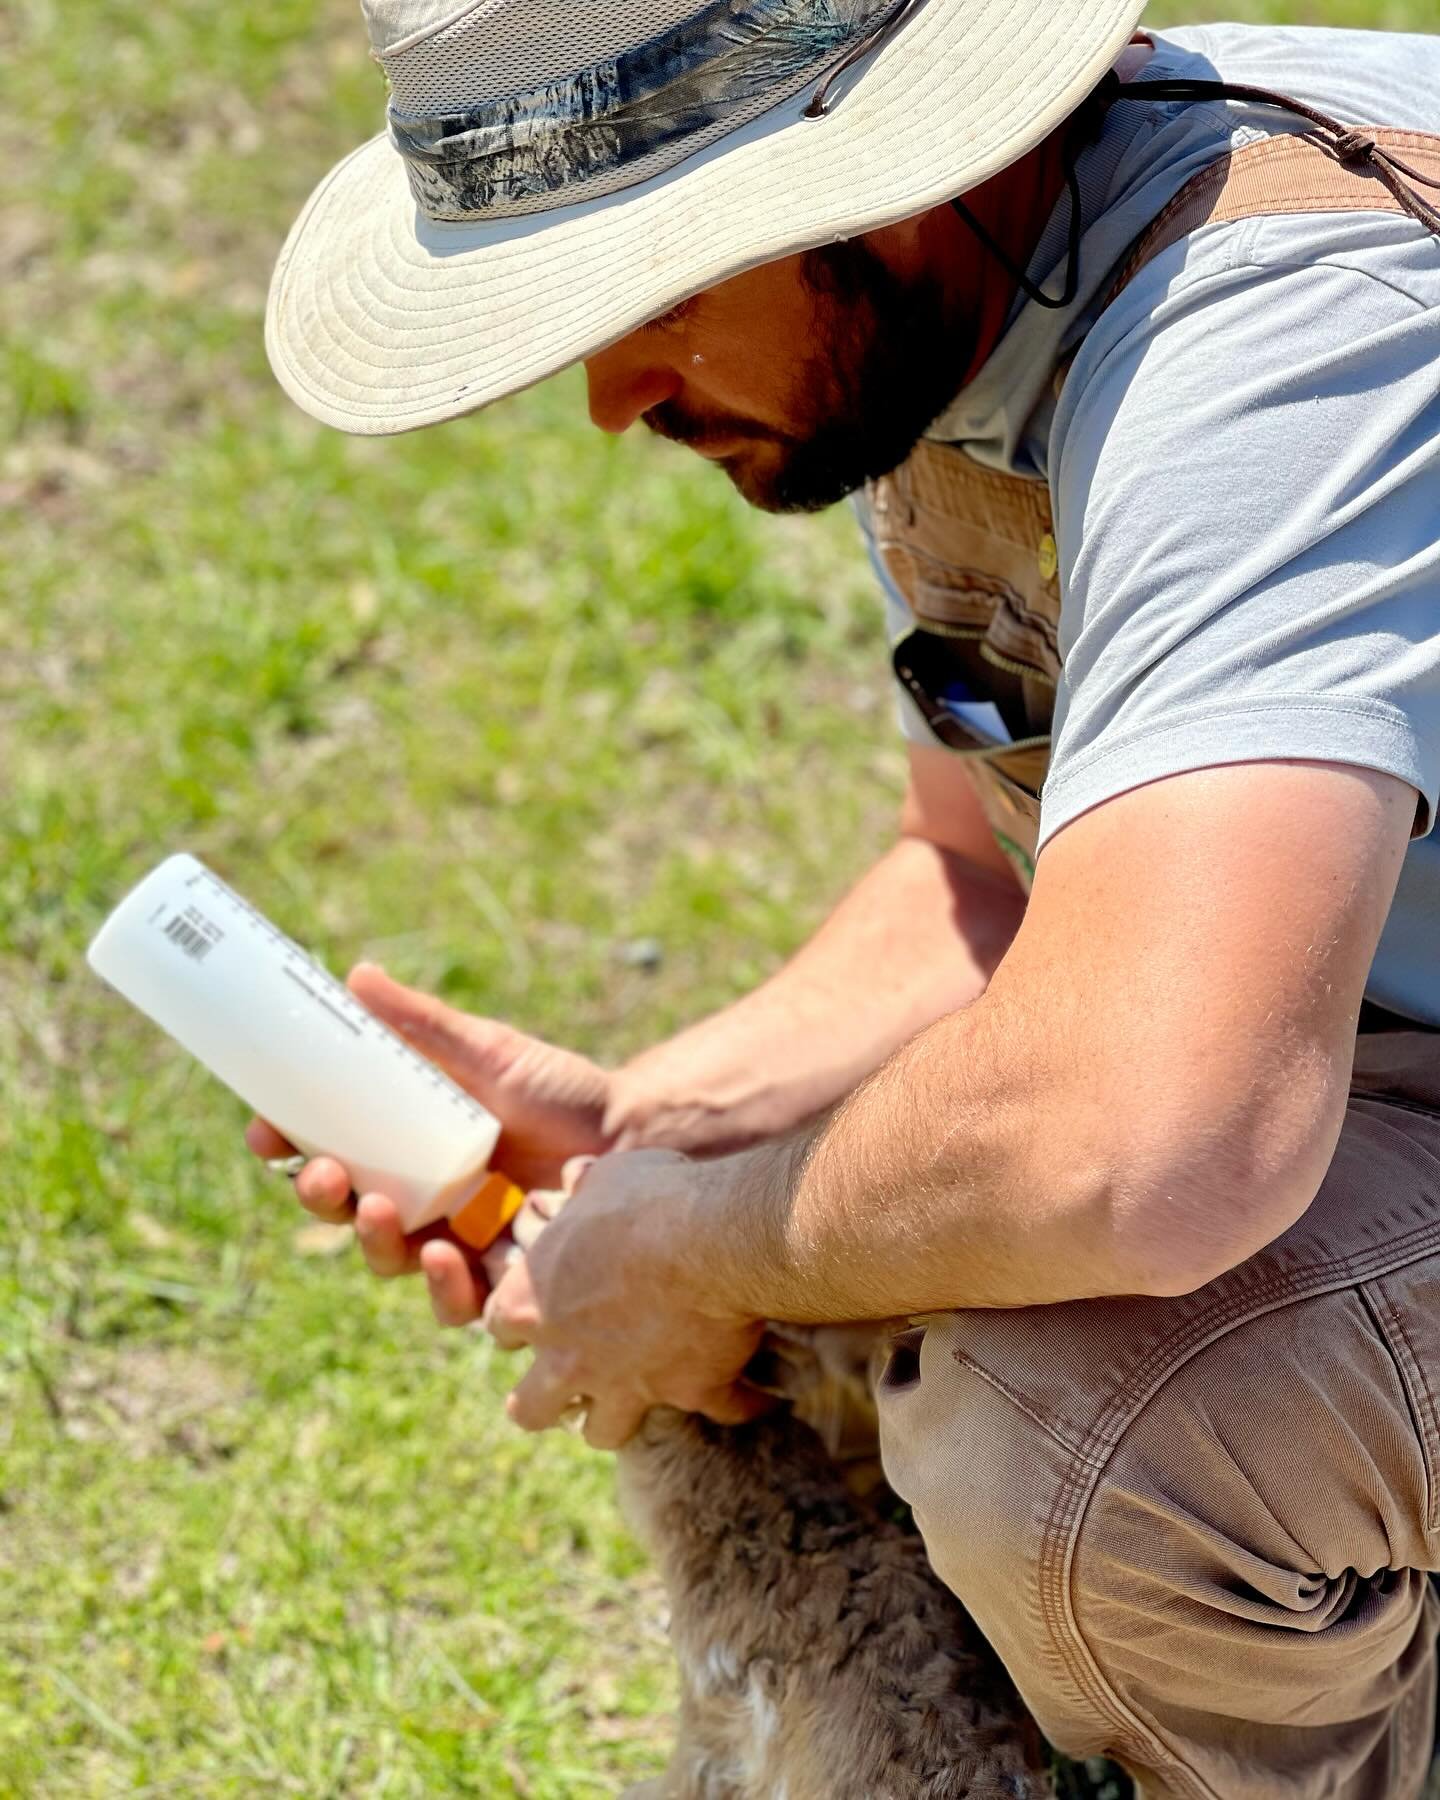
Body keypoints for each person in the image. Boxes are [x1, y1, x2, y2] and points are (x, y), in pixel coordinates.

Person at [250, 2, 1440, 1792]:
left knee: (1109, 1421)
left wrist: (702, 1239)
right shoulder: (986, 294)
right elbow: (973, 882)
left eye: (649, 296)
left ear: (865, 187)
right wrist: (658, 1134)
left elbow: (1164, 1138)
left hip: (1271, 1086)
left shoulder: (1259, 348)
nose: (609, 398)